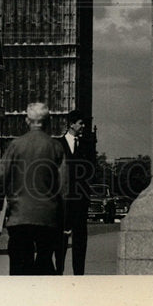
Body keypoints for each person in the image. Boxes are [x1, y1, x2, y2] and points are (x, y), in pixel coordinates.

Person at [0, 101, 66, 275]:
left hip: (19, 218)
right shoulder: (56, 147)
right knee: (44, 264)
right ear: (48, 121)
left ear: (26, 121)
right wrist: (63, 221)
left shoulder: (15, 146)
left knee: (19, 268)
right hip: (47, 219)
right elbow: (64, 188)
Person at [55, 109, 95, 275]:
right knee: (60, 239)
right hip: (63, 200)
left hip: (80, 200)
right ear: (71, 124)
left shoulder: (87, 144)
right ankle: (59, 271)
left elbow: (92, 169)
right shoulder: (57, 144)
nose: (83, 126)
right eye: (80, 123)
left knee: (80, 240)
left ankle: (79, 274)